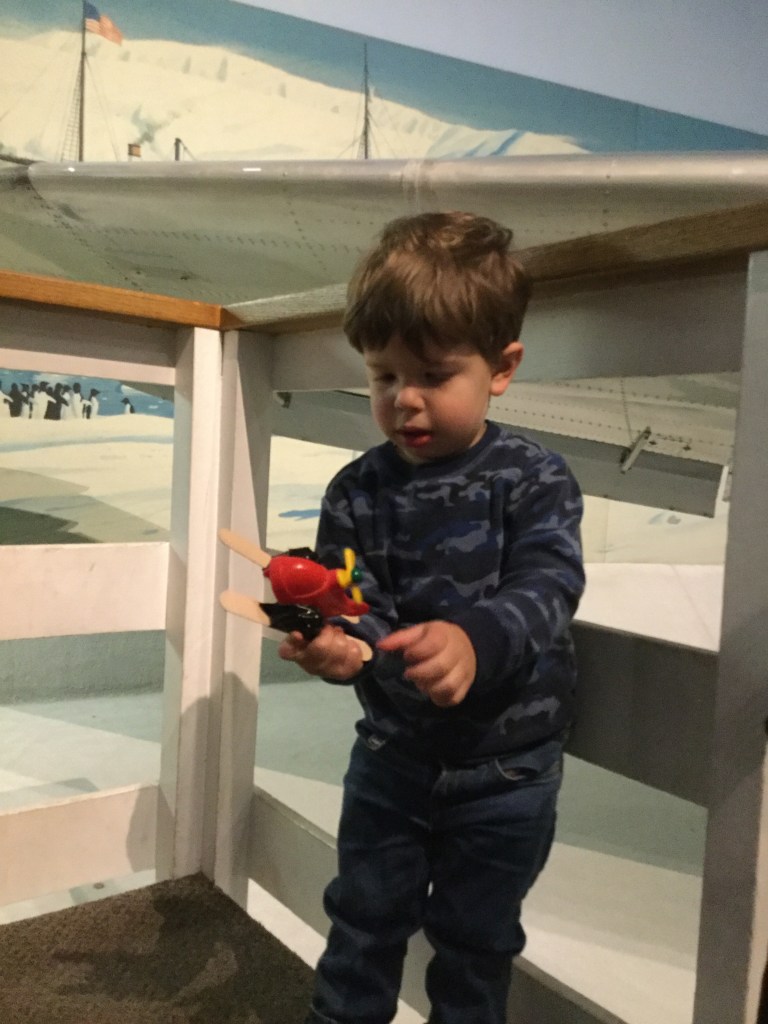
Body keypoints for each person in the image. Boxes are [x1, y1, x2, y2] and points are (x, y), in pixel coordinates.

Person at [278, 211, 586, 1024]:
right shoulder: (356, 490)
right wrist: (342, 648)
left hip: (508, 775)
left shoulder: (534, 478)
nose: (404, 401)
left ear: (502, 367)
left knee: (476, 949)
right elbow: (356, 603)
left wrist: (473, 642)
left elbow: (550, 584)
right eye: (382, 377)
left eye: (434, 375)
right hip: (392, 761)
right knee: (361, 928)